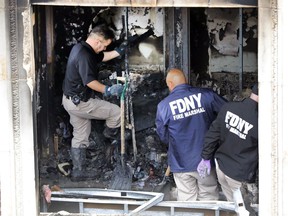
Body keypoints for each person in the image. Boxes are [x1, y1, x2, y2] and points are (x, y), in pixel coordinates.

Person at [62, 24, 128, 181]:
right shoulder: (84, 55)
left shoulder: (81, 48)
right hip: (81, 103)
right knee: (117, 112)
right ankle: (108, 138)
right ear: (98, 41)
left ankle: (79, 172)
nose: (104, 49)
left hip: (69, 100)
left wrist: (118, 52)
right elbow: (90, 81)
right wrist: (108, 90)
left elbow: (103, 57)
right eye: (104, 45)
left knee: (80, 134)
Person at [155, 68, 227, 201]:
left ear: (170, 84)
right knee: (209, 197)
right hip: (205, 160)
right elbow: (228, 113)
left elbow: (163, 136)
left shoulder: (163, 106)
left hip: (180, 161)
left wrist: (175, 147)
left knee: (187, 200)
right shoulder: (207, 95)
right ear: (186, 80)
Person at [197, 84, 258, 215]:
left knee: (233, 206)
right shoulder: (260, 120)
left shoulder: (229, 107)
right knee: (246, 211)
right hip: (239, 176)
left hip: (222, 168)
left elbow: (212, 135)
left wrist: (205, 158)